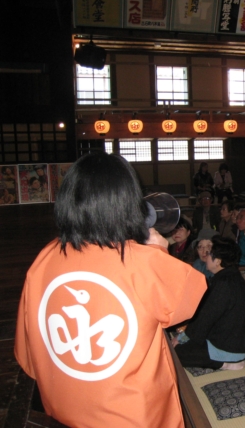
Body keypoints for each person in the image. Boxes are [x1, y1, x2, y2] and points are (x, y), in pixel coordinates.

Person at [15, 152, 206, 428]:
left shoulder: (44, 258)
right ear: (127, 203)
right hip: (133, 418)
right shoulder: (143, 261)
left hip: (62, 411)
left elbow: (29, 356)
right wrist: (158, 252)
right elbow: (187, 303)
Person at [173, 236, 245, 371]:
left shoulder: (223, 283)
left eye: (209, 254)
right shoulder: (232, 276)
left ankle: (225, 364)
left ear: (218, 261)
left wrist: (181, 338)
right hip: (241, 342)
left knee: (174, 353)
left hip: (232, 348)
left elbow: (205, 319)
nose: (206, 257)